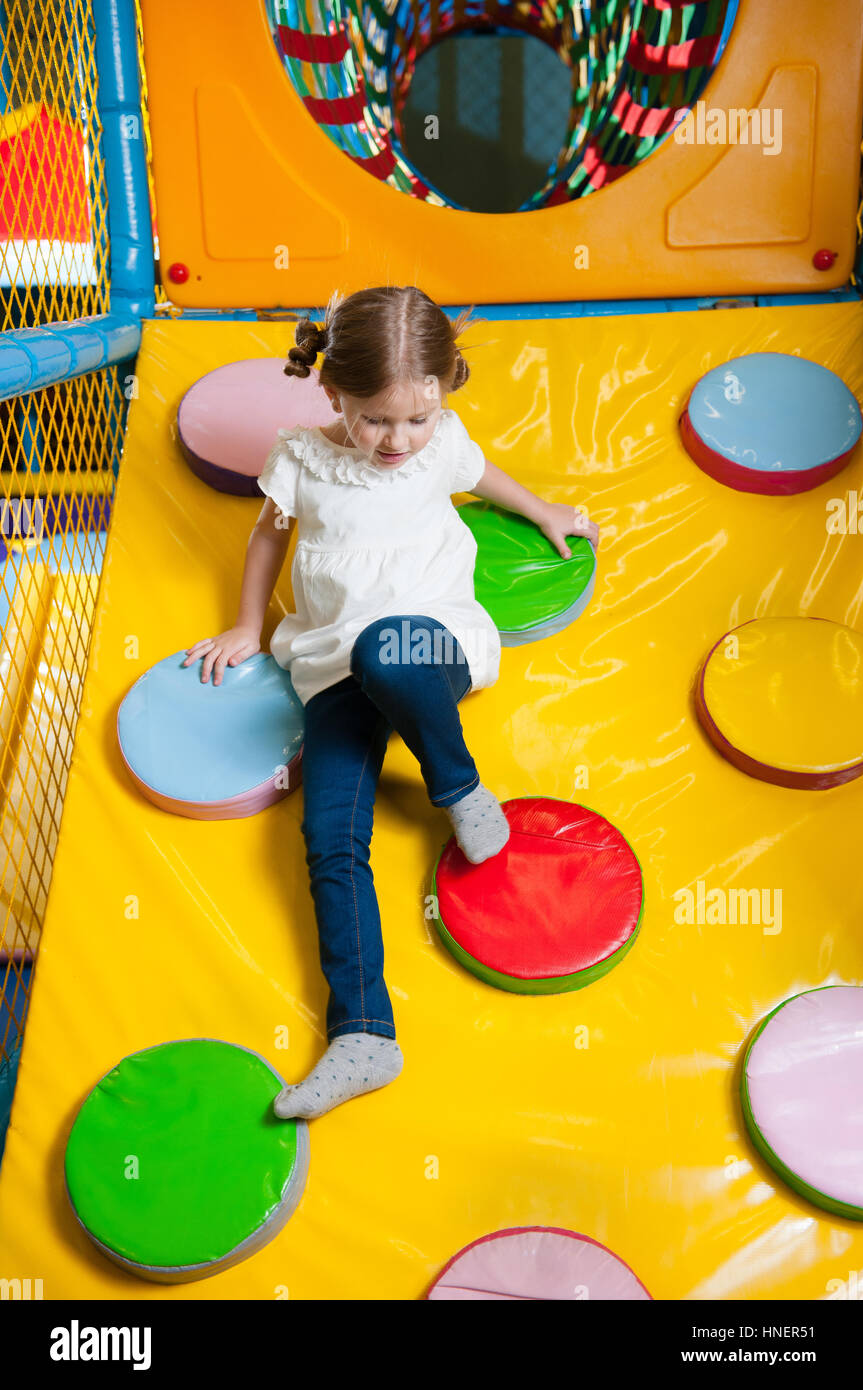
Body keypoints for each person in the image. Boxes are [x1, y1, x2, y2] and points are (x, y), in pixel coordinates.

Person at [183, 285, 599, 1119]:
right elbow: (269, 531)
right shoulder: (302, 456)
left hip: (428, 646)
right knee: (328, 837)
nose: (399, 441)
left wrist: (545, 510)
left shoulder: (438, 441)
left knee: (388, 647)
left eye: (418, 418)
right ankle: (365, 1032)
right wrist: (242, 623)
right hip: (332, 663)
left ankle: (457, 786)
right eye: (377, 420)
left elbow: (483, 474)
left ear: (441, 397)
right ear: (335, 394)